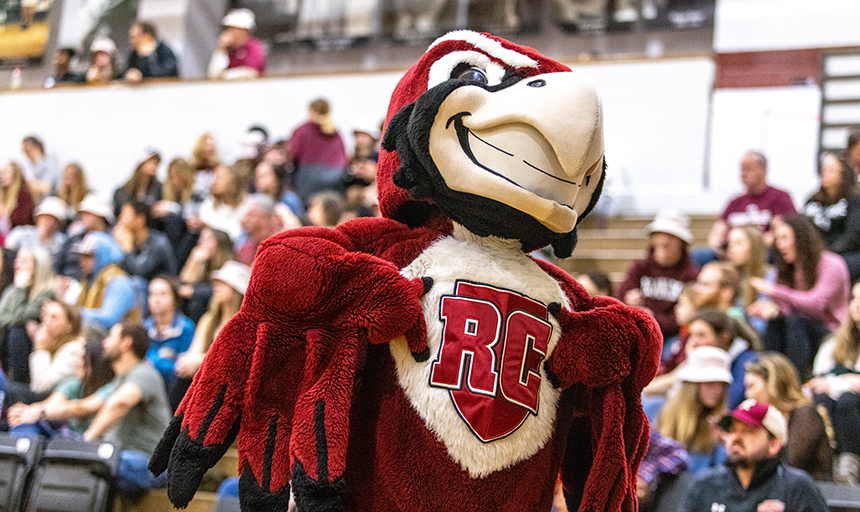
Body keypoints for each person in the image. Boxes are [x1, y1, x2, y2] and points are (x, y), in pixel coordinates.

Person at [678, 399, 828, 512]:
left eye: (749, 431)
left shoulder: (796, 487)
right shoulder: (705, 484)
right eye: (732, 430)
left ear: (774, 443)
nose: (736, 437)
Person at [748, 215, 850, 379]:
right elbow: (786, 308)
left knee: (796, 322)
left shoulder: (832, 264)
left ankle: (794, 380)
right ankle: (768, 376)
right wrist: (773, 310)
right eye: (777, 239)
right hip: (797, 328)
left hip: (831, 330)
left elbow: (816, 303)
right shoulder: (786, 269)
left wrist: (776, 291)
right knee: (776, 322)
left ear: (802, 239)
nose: (780, 245)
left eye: (785, 238)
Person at [83, 323, 171, 497]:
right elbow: (85, 406)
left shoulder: (145, 373)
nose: (105, 343)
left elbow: (121, 403)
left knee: (100, 464)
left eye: (110, 338)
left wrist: (87, 442)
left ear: (126, 343)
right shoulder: (119, 381)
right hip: (122, 457)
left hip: (146, 463)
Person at [745, 352, 833, 481]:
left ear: (772, 384)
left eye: (751, 386)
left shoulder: (805, 414)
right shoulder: (763, 419)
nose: (748, 394)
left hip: (810, 493)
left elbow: (791, 463)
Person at [698, 151, 797, 266]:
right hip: (730, 250)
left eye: (748, 169)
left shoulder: (779, 198)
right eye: (741, 169)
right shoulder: (734, 202)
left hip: (761, 251)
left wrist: (745, 245)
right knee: (698, 256)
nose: (743, 174)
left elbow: (778, 234)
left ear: (763, 170)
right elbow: (717, 232)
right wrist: (720, 246)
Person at [616, 208, 700, 340]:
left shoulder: (691, 275)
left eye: (671, 236)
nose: (664, 242)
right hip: (636, 332)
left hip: (670, 337)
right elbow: (620, 298)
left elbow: (683, 317)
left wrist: (652, 318)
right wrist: (629, 301)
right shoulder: (639, 268)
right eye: (660, 235)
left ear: (681, 242)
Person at [7, 337, 115, 438]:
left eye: (83, 359)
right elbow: (53, 402)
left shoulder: (111, 388)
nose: (78, 362)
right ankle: (19, 455)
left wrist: (37, 413)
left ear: (96, 365)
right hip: (69, 437)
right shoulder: (74, 384)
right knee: (22, 421)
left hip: (95, 443)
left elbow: (81, 408)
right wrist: (28, 411)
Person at [173, 261, 248, 405]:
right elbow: (195, 351)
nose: (216, 287)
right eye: (216, 283)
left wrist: (196, 361)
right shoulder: (209, 319)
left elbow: (230, 360)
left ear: (236, 289)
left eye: (222, 283)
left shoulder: (244, 325)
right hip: (205, 376)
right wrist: (187, 362)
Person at [808, 280, 860, 484]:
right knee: (821, 400)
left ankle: (849, 462)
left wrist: (839, 383)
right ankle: (827, 463)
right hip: (836, 404)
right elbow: (818, 382)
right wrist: (847, 381)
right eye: (854, 298)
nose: (856, 305)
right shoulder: (835, 342)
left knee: (848, 400)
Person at [655, 346, 732, 473]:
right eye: (710, 383)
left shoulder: (719, 427)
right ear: (692, 385)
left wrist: (722, 444)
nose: (718, 391)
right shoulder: (655, 409)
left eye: (722, 386)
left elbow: (719, 476)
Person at [0, 247, 56, 385]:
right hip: (9, 345)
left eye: (24, 261)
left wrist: (20, 290)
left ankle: (18, 384)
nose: (17, 264)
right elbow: (2, 318)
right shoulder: (12, 290)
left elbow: (17, 319)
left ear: (37, 267)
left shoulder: (47, 292)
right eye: (17, 260)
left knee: (17, 331)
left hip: (32, 347)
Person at [802, 152, 860, 281]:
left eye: (831, 170)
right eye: (823, 170)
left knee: (842, 264)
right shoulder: (812, 200)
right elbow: (802, 228)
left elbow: (852, 237)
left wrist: (828, 253)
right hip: (814, 251)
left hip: (843, 253)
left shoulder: (854, 200)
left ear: (843, 174)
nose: (825, 174)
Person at [75, 232, 139, 337]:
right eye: (81, 256)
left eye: (88, 256)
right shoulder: (88, 282)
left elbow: (108, 318)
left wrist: (74, 314)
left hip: (119, 341)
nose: (82, 261)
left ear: (103, 255)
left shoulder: (120, 282)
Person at [144, 277, 194, 409]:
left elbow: (182, 368)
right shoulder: (144, 328)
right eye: (152, 294)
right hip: (148, 386)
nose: (156, 299)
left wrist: (154, 360)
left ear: (174, 298)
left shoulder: (186, 328)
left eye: (163, 294)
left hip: (174, 391)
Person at [290, 98, 349, 202]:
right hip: (335, 179)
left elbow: (294, 154)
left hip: (308, 179)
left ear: (311, 111)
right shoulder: (335, 132)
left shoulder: (303, 130)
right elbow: (344, 156)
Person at [177, 227, 235, 322]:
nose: (201, 243)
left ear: (220, 244)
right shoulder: (203, 264)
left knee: (197, 302)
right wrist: (193, 262)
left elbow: (225, 291)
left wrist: (194, 292)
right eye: (201, 239)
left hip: (222, 314)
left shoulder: (230, 266)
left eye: (207, 239)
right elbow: (182, 287)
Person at [113, 201, 177, 281]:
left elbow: (139, 274)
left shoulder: (158, 243)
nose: (120, 219)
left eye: (124, 215)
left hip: (159, 287)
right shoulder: (125, 239)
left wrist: (128, 250)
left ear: (140, 220)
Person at [54, 194, 113, 280]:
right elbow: (58, 264)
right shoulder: (73, 239)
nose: (83, 217)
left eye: (88, 214)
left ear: (101, 216)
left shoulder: (110, 242)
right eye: (83, 213)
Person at [725, 226, 772, 333]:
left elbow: (762, 325)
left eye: (738, 243)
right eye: (730, 244)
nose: (731, 249)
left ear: (754, 247)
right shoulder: (727, 276)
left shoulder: (770, 277)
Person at [207, 8, 266, 80]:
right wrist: (221, 50)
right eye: (228, 28)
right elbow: (213, 75)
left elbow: (250, 73)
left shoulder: (253, 46)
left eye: (233, 28)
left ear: (244, 31)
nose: (229, 31)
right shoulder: (227, 49)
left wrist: (225, 75)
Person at [5, 196, 69, 259]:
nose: (49, 223)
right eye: (45, 218)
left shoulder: (62, 242)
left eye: (54, 220)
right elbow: (7, 254)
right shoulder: (21, 234)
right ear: (38, 218)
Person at [198, 163, 247, 240]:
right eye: (214, 178)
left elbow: (237, 234)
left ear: (232, 181)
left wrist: (211, 228)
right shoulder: (209, 203)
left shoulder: (246, 204)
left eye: (219, 178)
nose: (215, 182)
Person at [113, 147, 163, 218]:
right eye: (150, 161)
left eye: (156, 162)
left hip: (150, 225)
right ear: (141, 163)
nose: (154, 165)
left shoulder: (159, 188)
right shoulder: (123, 191)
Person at [236, 195, 282, 266]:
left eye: (250, 216)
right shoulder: (244, 247)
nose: (244, 220)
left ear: (266, 218)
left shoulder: (279, 246)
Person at [0, 161, 36, 232]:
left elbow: (22, 221)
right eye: (1, 173)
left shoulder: (24, 194)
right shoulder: (4, 195)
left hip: (20, 233)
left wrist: (5, 213)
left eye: (5, 173)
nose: (1, 176)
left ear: (15, 174)